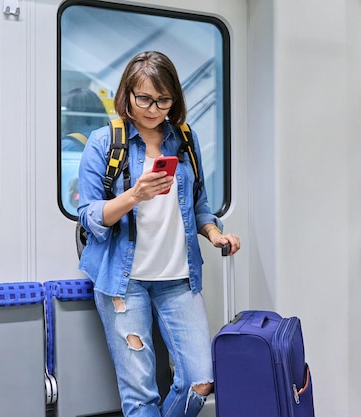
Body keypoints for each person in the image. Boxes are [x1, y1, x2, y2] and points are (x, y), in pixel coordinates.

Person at [77, 51, 240, 417]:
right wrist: (135, 194)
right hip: (123, 282)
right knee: (140, 397)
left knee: (200, 382)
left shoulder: (184, 140)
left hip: (178, 279)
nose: (154, 109)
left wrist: (213, 232)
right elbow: (88, 215)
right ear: (127, 95)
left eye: (163, 100)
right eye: (145, 99)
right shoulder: (104, 143)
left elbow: (199, 202)